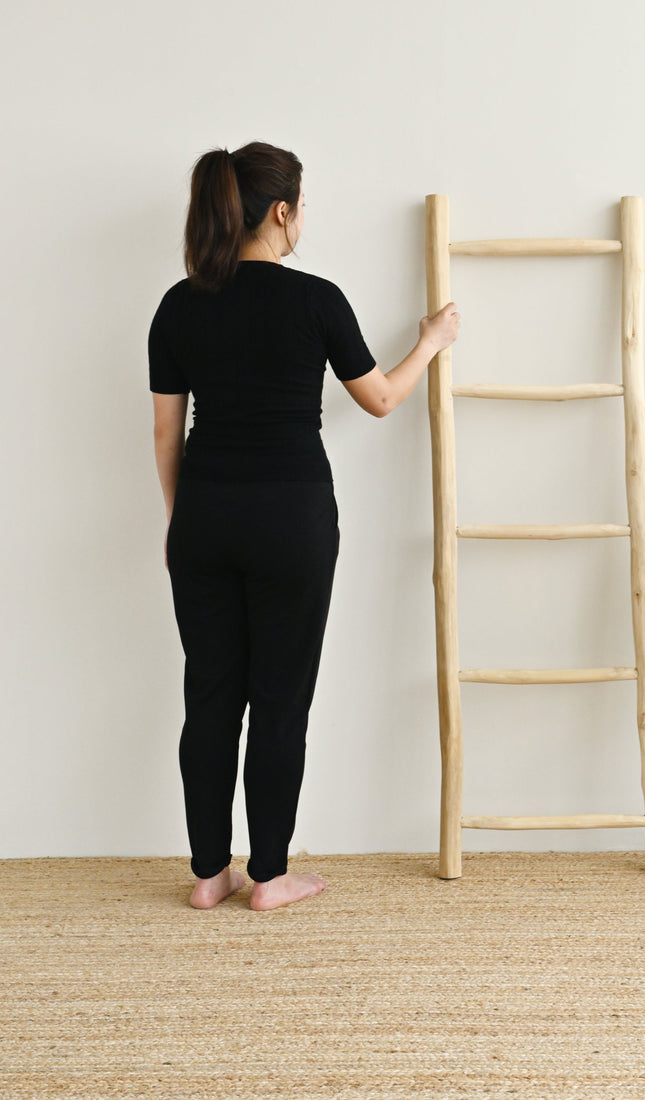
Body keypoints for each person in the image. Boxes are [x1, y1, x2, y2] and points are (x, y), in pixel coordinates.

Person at [149, 141, 459, 911]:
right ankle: (270, 875)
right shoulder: (315, 298)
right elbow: (381, 399)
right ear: (282, 211)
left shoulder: (179, 304)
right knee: (280, 697)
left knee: (212, 694)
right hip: (292, 518)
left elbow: (165, 435)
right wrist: (431, 340)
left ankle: (207, 875)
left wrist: (180, 521)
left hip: (205, 518)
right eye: (301, 206)